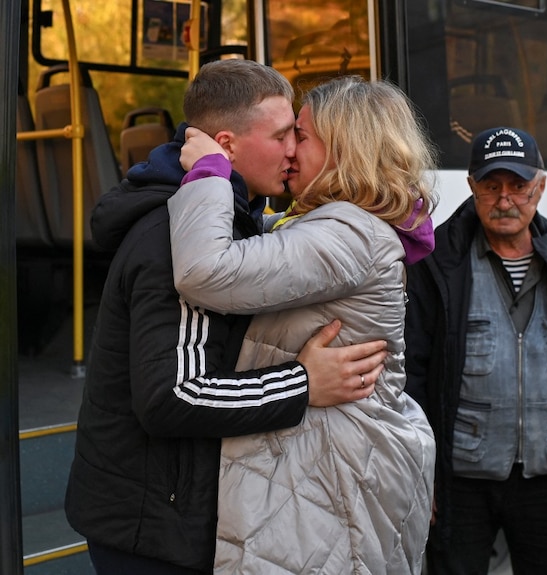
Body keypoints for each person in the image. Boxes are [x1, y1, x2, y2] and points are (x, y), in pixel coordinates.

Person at [64, 60, 388, 575]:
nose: (293, 150)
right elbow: (173, 395)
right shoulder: (178, 237)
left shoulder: (229, 215)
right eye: (283, 134)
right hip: (155, 531)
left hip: (174, 515)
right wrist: (303, 385)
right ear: (225, 146)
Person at [166, 75, 438, 574]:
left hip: (327, 479)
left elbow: (205, 271)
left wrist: (210, 173)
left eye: (303, 136)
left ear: (344, 150)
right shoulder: (340, 225)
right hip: (326, 471)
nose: (290, 149)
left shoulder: (350, 233)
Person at [404, 126, 547, 574]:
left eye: (518, 186)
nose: (505, 199)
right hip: (458, 480)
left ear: (540, 187)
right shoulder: (438, 268)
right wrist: (419, 471)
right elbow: (411, 373)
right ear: (471, 188)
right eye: (491, 186)